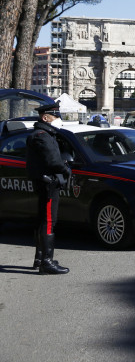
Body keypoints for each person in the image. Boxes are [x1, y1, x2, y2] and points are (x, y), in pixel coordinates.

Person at [26, 102, 71, 275]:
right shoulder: (42, 135)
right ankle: (47, 262)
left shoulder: (43, 134)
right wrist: (65, 169)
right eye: (56, 116)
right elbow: (52, 161)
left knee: (42, 221)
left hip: (45, 182)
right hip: (48, 183)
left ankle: (40, 258)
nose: (58, 119)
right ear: (45, 117)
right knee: (49, 222)